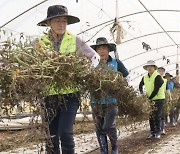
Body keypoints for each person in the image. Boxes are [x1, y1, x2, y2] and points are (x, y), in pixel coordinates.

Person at [37, 5, 100, 154]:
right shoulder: (40, 42)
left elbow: (94, 57)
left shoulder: (74, 39)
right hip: (48, 95)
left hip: (70, 94)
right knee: (51, 135)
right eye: (57, 21)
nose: (61, 24)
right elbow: (28, 59)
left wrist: (85, 72)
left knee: (65, 132)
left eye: (64, 21)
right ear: (49, 23)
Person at [90, 37, 129, 154]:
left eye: (104, 48)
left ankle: (115, 146)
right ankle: (103, 150)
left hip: (111, 101)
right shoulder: (92, 63)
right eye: (99, 48)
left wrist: (121, 86)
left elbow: (126, 76)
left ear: (108, 49)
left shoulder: (116, 63)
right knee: (99, 127)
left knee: (108, 126)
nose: (101, 51)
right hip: (95, 101)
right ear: (96, 51)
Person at [139, 60, 165, 139]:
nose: (149, 68)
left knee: (157, 115)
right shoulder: (145, 77)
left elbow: (156, 89)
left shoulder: (158, 77)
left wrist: (149, 98)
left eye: (151, 66)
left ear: (154, 68)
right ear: (146, 68)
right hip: (150, 99)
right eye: (148, 67)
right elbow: (140, 85)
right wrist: (142, 94)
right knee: (150, 116)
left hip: (159, 99)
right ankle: (152, 132)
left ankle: (158, 132)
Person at [157, 67, 168, 135]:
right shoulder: (154, 79)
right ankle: (156, 129)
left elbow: (167, 89)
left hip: (162, 98)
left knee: (162, 114)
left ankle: (162, 129)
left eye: (162, 71)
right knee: (155, 115)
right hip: (154, 98)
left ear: (163, 72)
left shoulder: (165, 80)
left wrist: (169, 96)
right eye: (159, 71)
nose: (160, 72)